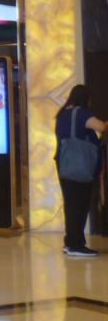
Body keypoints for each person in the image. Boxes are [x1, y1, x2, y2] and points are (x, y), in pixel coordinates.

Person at [54, 84, 105, 257]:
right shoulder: (81, 113)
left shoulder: (62, 114)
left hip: (64, 163)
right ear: (85, 98)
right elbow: (100, 127)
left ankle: (70, 242)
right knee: (80, 205)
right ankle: (76, 245)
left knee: (71, 204)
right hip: (79, 165)